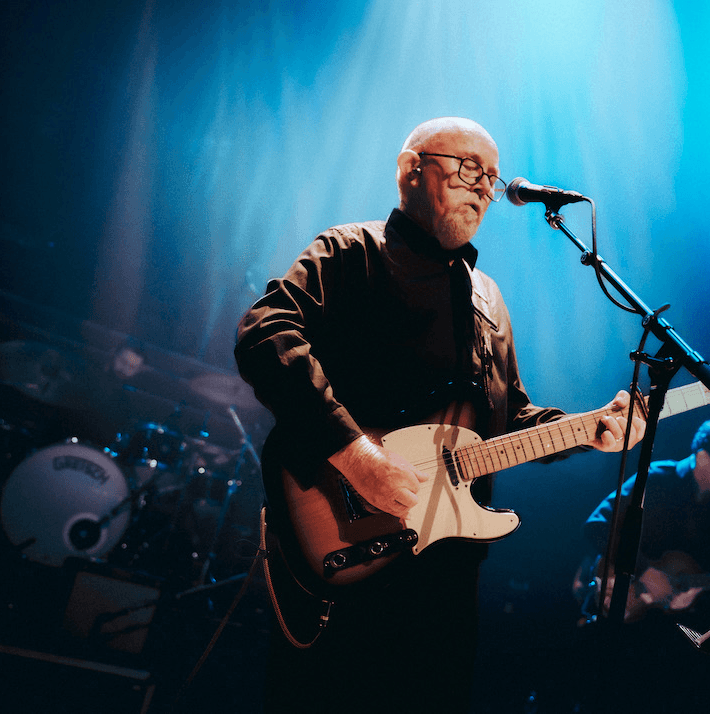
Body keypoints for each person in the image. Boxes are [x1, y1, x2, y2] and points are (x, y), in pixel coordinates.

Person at [234, 116, 646, 713]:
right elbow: (265, 335)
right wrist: (357, 456)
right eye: (467, 168)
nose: (484, 186)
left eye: (492, 177)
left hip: (447, 575)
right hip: (345, 545)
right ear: (410, 170)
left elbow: (507, 418)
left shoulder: (489, 299)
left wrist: (591, 431)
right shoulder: (352, 252)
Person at [575, 416, 710, 711]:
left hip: (667, 640)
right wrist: (645, 570)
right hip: (617, 625)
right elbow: (597, 527)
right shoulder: (655, 478)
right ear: (702, 457)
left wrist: (694, 592)